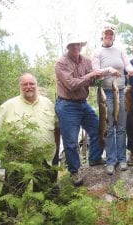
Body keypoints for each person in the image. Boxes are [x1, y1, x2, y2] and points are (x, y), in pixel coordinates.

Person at [0, 73, 60, 223]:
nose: (29, 87)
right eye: (25, 84)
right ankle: (6, 222)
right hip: (18, 162)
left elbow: (57, 128)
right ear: (20, 86)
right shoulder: (8, 106)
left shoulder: (48, 103)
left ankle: (44, 221)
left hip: (46, 160)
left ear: (36, 85)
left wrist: (55, 154)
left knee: (46, 200)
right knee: (10, 200)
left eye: (32, 83)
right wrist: (8, 157)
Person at [55, 35, 106, 186]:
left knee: (98, 129)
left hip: (83, 103)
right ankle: (74, 171)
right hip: (67, 105)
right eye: (73, 45)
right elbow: (71, 84)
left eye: (79, 44)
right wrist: (90, 75)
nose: (76, 47)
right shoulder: (61, 63)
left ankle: (95, 158)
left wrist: (102, 76)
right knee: (70, 142)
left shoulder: (86, 61)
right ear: (68, 46)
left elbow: (92, 81)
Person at [91, 26, 133, 175]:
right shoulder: (97, 52)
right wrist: (109, 69)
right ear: (102, 36)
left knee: (121, 127)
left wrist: (131, 69)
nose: (109, 36)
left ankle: (122, 159)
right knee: (109, 127)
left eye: (111, 34)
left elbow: (127, 64)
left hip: (121, 91)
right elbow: (96, 71)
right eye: (106, 34)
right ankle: (111, 160)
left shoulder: (120, 50)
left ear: (114, 37)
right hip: (105, 94)